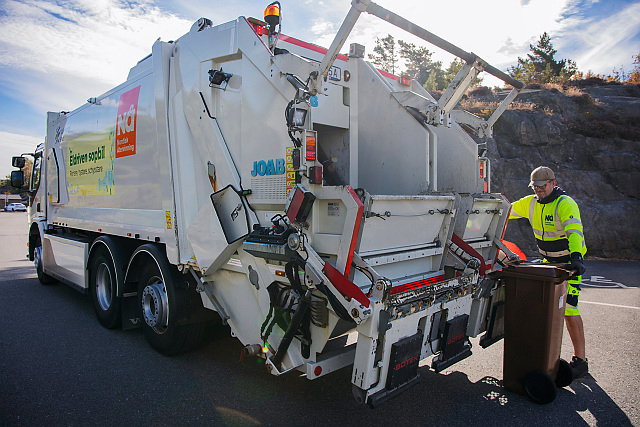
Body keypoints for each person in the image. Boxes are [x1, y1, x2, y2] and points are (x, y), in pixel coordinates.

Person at [509, 166, 589, 378]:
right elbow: (505, 211)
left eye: (542, 186)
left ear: (553, 183)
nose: (538, 190)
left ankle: (581, 360)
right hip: (550, 261)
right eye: (534, 186)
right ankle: (543, 354)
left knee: (569, 309)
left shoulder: (565, 204)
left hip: (569, 263)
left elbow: (574, 232)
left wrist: (576, 258)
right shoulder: (530, 203)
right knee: (544, 306)